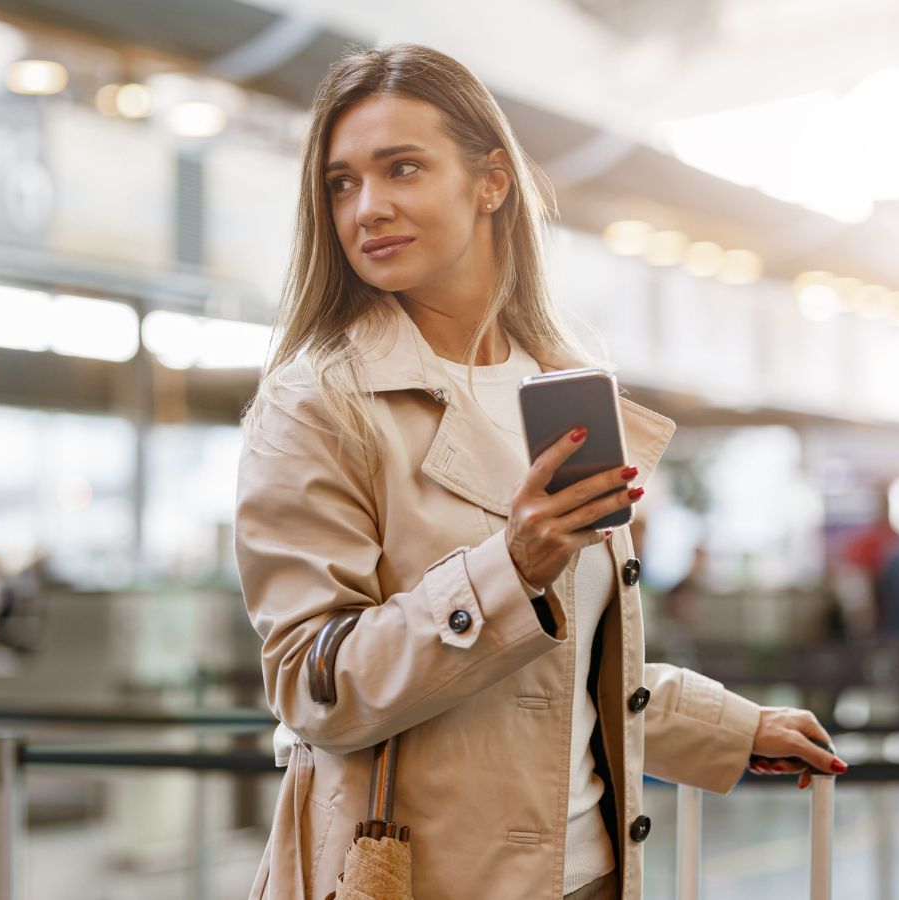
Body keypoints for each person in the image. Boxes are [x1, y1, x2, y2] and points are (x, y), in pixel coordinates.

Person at [233, 44, 846, 900]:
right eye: (342, 182)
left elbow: (556, 683)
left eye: (401, 168)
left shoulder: (557, 391)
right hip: (417, 877)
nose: (368, 207)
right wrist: (507, 570)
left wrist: (730, 727)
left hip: (588, 875)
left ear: (492, 181)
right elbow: (311, 682)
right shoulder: (318, 404)